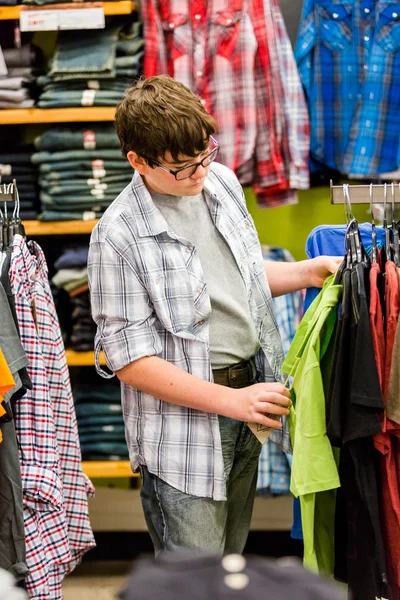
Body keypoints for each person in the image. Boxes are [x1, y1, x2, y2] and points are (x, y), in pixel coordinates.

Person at [87, 75, 340, 556]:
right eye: (183, 167)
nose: (200, 171)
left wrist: (306, 272)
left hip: (250, 400)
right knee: (194, 579)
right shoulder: (117, 235)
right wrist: (233, 402)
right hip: (184, 430)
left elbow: (236, 275)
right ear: (137, 162)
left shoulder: (220, 182)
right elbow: (131, 361)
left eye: (206, 153)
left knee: (229, 566)